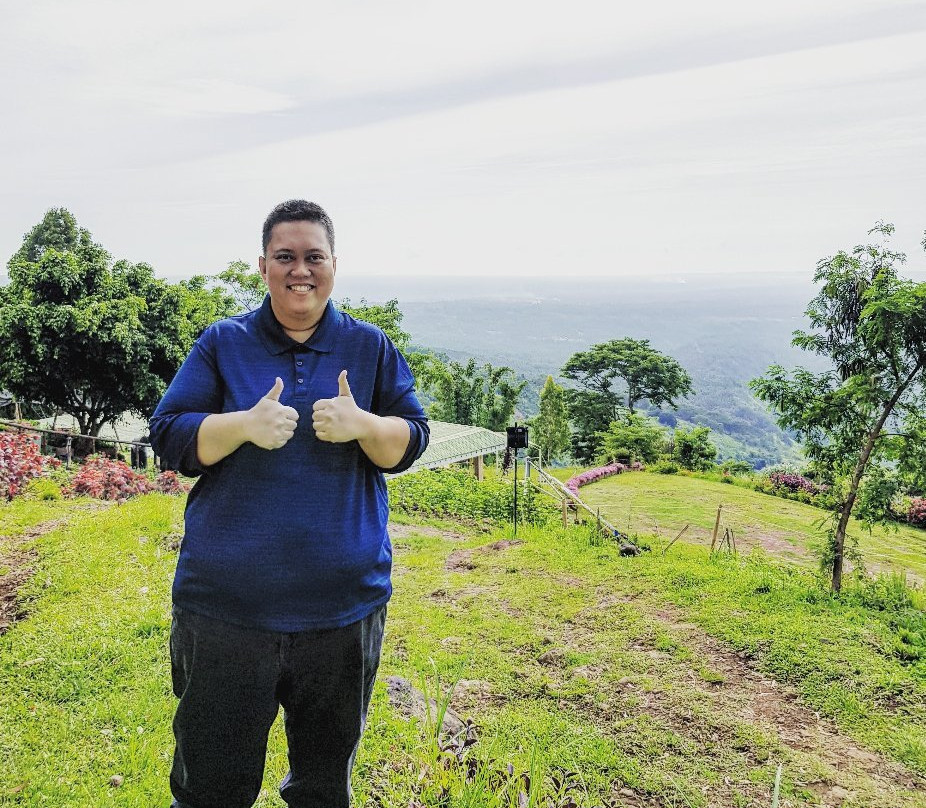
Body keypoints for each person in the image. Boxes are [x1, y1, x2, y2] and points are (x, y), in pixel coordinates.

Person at [149, 200, 429, 808]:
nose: (299, 270)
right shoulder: (225, 342)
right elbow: (169, 435)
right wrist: (242, 425)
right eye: (285, 257)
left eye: (313, 257)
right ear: (263, 265)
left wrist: (364, 424)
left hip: (342, 612)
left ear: (334, 265)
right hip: (226, 610)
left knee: (323, 789)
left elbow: (410, 440)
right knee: (211, 788)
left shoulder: (370, 346)